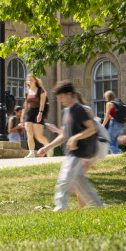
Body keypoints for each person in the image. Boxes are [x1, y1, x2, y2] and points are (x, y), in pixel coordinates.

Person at [37, 81, 103, 211]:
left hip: (78, 152)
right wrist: (47, 147)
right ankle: (98, 207)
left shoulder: (79, 109)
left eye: (61, 97)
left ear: (69, 94)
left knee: (64, 180)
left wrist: (76, 137)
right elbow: (64, 135)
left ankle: (60, 209)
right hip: (72, 153)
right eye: (58, 98)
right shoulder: (67, 111)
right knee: (80, 183)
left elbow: (92, 129)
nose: (60, 100)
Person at [23, 74, 50, 157]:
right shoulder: (27, 92)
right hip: (29, 114)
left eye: (31, 80)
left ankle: (49, 147)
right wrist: (22, 117)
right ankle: (31, 152)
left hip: (37, 113)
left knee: (38, 136)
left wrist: (40, 113)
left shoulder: (41, 91)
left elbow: (42, 103)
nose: (29, 81)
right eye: (28, 80)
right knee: (29, 133)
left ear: (35, 80)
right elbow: (25, 105)